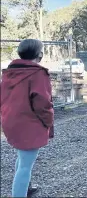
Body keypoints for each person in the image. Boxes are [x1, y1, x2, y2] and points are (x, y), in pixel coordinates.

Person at [0, 39, 54, 197]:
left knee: (22, 158)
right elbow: (43, 104)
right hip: (29, 124)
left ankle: (26, 188)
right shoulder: (38, 73)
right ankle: (20, 193)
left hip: (11, 121)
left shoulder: (10, 72)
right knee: (25, 167)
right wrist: (48, 122)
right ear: (39, 55)